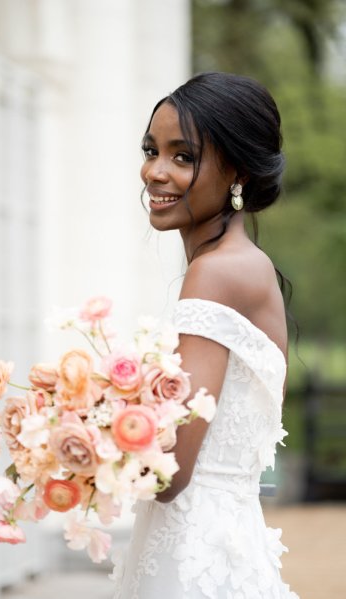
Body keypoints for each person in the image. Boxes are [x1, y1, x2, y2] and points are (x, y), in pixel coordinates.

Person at [112, 72, 300, 598]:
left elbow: (170, 474)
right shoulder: (245, 265)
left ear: (236, 171)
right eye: (152, 150)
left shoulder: (216, 272)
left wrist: (78, 437)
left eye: (183, 157)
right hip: (224, 545)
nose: (154, 171)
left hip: (193, 560)